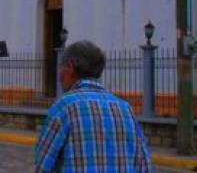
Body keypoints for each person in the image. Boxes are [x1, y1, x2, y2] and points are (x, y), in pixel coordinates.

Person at [35, 40, 151, 172]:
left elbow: (43, 164)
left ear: (70, 68)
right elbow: (144, 165)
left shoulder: (64, 107)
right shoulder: (125, 109)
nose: (59, 76)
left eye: (61, 68)